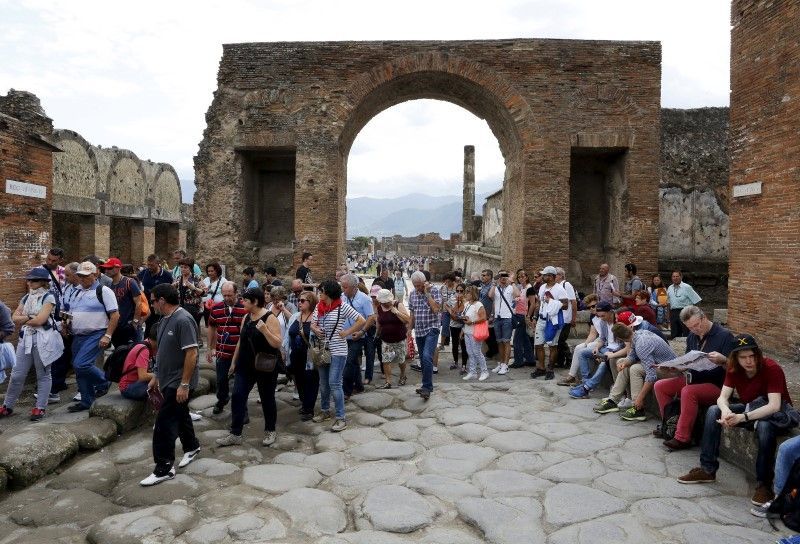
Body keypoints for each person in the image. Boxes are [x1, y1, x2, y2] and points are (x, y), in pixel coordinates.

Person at [678, 334, 792, 508]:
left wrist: (742, 417)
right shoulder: (733, 369)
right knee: (713, 411)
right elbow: (722, 398)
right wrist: (726, 412)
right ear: (735, 358)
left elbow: (774, 406)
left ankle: (764, 484)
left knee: (764, 427)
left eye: (752, 356)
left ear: (758, 355)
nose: (749, 361)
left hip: (776, 415)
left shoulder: (771, 368)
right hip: (749, 408)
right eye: (743, 357)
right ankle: (707, 469)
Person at [140, 283, 201, 486]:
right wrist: (156, 375)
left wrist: (184, 384)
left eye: (153, 300)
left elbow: (192, 353)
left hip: (179, 381)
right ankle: (192, 447)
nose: (151, 304)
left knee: (164, 424)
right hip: (167, 379)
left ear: (162, 301)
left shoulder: (183, 320)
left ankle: (164, 467)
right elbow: (163, 351)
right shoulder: (165, 318)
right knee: (181, 415)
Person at [653, 305, 735, 450]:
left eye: (696, 325)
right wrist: (674, 368)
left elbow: (736, 368)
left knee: (688, 391)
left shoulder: (725, 336)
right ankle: (669, 426)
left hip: (717, 385)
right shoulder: (692, 336)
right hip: (693, 378)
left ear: (704, 318)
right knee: (660, 386)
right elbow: (689, 362)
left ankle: (682, 438)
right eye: (690, 327)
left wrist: (723, 360)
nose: (694, 330)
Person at [216, 288, 283, 447]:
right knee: (238, 396)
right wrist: (233, 362)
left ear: (255, 301)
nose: (243, 302)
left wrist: (265, 331)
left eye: (246, 300)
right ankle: (235, 433)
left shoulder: (270, 318)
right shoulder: (246, 316)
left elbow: (277, 343)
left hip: (264, 366)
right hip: (245, 365)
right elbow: (241, 340)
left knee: (267, 398)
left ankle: (270, 430)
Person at [0, 268, 63, 421]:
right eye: (29, 280)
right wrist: (30, 316)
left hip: (43, 339)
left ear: (43, 282)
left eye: (33, 280)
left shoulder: (49, 298)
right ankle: (7, 405)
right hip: (26, 339)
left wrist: (26, 319)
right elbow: (14, 317)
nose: (30, 282)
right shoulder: (26, 297)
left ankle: (40, 407)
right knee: (17, 375)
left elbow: (40, 321)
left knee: (43, 374)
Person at [592, 321, 676, 421]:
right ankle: (613, 400)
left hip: (672, 372)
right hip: (659, 365)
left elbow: (651, 375)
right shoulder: (637, 335)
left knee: (635, 369)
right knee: (625, 364)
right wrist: (625, 362)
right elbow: (632, 355)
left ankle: (637, 408)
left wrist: (640, 398)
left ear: (620, 339)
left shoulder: (642, 344)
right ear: (630, 328)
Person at [311, 280, 366, 431]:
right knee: (323, 383)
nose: (319, 293)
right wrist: (315, 329)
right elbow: (313, 323)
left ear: (328, 292)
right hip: (323, 350)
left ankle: (341, 418)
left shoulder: (342, 307)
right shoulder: (319, 307)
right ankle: (325, 411)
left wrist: (347, 332)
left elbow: (361, 320)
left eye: (321, 291)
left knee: (334, 383)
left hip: (338, 351)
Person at [65, 261, 118, 412]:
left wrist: (107, 335)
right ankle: (87, 401)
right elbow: (73, 312)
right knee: (79, 369)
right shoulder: (76, 291)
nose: (82, 279)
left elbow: (115, 315)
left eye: (86, 276)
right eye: (80, 276)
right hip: (77, 334)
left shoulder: (104, 290)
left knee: (81, 364)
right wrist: (67, 324)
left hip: (96, 333)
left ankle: (104, 381)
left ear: (94, 275)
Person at [207, 282, 247, 415]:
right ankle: (222, 399)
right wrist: (209, 347)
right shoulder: (216, 308)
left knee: (240, 383)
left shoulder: (245, 308)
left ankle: (243, 409)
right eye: (224, 295)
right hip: (222, 351)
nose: (227, 298)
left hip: (241, 353)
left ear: (236, 293)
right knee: (221, 380)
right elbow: (211, 327)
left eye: (230, 295)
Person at [285, 291, 319, 420]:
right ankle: (305, 403)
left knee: (311, 381)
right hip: (295, 355)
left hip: (309, 356)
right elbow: (288, 335)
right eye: (299, 300)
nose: (299, 302)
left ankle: (309, 408)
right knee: (298, 380)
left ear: (311, 302)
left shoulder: (316, 317)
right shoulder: (295, 317)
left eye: (303, 300)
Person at [408, 271, 441, 400]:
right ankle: (425, 386)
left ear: (425, 283)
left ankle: (427, 387)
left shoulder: (434, 291)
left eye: (420, 286)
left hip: (432, 328)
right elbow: (412, 313)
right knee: (422, 359)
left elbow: (436, 309)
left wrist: (427, 293)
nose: (418, 288)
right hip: (419, 330)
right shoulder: (412, 294)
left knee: (427, 356)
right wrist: (409, 329)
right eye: (415, 286)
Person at [340, 274, 375, 396]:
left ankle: (346, 391)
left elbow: (371, 317)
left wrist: (362, 332)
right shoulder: (342, 298)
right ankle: (359, 386)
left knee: (348, 362)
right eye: (342, 287)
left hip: (358, 336)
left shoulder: (364, 298)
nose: (343, 290)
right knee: (353, 362)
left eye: (345, 287)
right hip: (345, 336)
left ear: (354, 287)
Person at [531, 266, 568, 380]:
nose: (543, 277)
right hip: (542, 319)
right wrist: (535, 317)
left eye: (545, 275)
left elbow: (565, 305)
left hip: (553, 320)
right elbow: (539, 304)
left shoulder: (559, 289)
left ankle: (550, 369)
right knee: (538, 344)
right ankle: (541, 368)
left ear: (551, 276)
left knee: (553, 345)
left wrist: (551, 302)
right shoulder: (542, 287)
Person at [557, 294, 598, 386]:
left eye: (594, 306)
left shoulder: (604, 313)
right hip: (599, 339)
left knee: (587, 349)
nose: (592, 309)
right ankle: (571, 376)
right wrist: (586, 343)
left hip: (604, 340)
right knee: (579, 347)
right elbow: (593, 333)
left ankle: (584, 379)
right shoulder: (593, 316)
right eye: (589, 307)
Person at [374, 288, 411, 388]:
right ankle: (388, 381)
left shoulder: (398, 305)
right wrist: (376, 334)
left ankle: (403, 375)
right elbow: (379, 322)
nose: (385, 303)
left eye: (386, 301)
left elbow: (407, 319)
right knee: (386, 360)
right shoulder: (379, 308)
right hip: (386, 339)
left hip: (399, 338)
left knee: (401, 360)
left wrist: (397, 312)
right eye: (383, 302)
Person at [102, 257, 142, 347]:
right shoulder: (109, 285)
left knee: (132, 353)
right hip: (116, 327)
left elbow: (139, 303)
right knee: (119, 353)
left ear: (118, 268)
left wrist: (135, 322)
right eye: (105, 268)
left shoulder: (129, 282)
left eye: (109, 268)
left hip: (129, 326)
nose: (106, 271)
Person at [488, 270, 519, 375]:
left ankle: (505, 365)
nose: (503, 277)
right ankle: (501, 363)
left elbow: (517, 294)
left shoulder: (510, 288)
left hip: (507, 318)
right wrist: (494, 282)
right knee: (499, 342)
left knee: (506, 341)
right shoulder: (496, 288)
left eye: (505, 275)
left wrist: (512, 282)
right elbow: (490, 295)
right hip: (498, 318)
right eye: (501, 275)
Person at [138, 254, 173, 337]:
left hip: (160, 306)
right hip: (147, 305)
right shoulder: (145, 272)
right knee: (148, 327)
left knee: (158, 327)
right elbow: (136, 280)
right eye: (148, 265)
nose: (149, 267)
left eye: (152, 265)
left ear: (158, 264)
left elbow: (171, 290)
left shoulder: (166, 275)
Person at [119, 328, 156, 401]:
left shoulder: (149, 344)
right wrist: (157, 376)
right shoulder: (144, 349)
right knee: (164, 386)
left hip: (137, 383)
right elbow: (143, 376)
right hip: (128, 387)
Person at [462, 284, 490, 381]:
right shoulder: (467, 304)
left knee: (477, 352)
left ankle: (485, 371)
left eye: (468, 292)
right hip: (467, 331)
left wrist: (472, 322)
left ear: (473, 293)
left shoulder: (478, 304)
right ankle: (472, 372)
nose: (466, 294)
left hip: (475, 332)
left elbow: (484, 318)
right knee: (470, 352)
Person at [173, 258, 206, 334]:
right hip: (180, 307)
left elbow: (204, 293)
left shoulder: (197, 278)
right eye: (181, 267)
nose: (183, 269)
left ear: (190, 268)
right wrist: (173, 287)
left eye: (185, 267)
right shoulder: (178, 278)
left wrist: (193, 288)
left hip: (193, 308)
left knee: (193, 328)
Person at [509, 269, 534, 369]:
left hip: (523, 316)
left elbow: (532, 303)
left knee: (517, 340)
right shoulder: (523, 288)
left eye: (523, 276)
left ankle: (518, 361)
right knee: (525, 339)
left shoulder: (529, 288)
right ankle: (530, 359)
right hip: (519, 314)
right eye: (519, 277)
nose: (521, 278)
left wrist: (528, 316)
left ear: (527, 277)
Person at [554, 267, 578, 368]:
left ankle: (569, 359)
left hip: (566, 318)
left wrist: (573, 318)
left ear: (560, 276)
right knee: (557, 341)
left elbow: (573, 301)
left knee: (561, 340)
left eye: (555, 275)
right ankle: (560, 361)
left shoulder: (566, 285)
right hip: (558, 318)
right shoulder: (556, 286)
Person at [667, 270, 701, 339]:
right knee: (674, 333)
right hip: (673, 312)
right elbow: (669, 302)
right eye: (673, 276)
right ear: (671, 278)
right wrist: (668, 315)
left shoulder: (687, 287)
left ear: (681, 277)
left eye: (677, 276)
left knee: (686, 333)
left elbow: (697, 300)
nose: (675, 278)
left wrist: (694, 314)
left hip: (685, 312)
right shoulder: (670, 288)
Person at [446, 283, 468, 373]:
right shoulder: (452, 298)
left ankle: (464, 365)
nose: (459, 292)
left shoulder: (467, 300)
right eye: (457, 291)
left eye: (461, 291)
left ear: (464, 291)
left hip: (463, 326)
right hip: (453, 325)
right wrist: (450, 311)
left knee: (463, 345)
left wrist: (462, 301)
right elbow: (446, 305)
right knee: (454, 344)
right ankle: (455, 362)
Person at [479, 270, 498, 359]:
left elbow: (494, 301)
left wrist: (492, 314)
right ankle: (491, 351)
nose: (482, 277)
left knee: (490, 335)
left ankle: (493, 351)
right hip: (483, 314)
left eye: (484, 275)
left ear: (490, 277)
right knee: (485, 334)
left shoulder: (492, 287)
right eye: (482, 275)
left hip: (489, 314)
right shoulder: (483, 286)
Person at [201, 261, 227, 327]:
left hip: (219, 308)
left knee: (218, 326)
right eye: (208, 271)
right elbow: (202, 293)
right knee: (209, 325)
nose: (210, 273)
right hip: (207, 308)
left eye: (212, 271)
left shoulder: (223, 281)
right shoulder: (206, 280)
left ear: (217, 271)